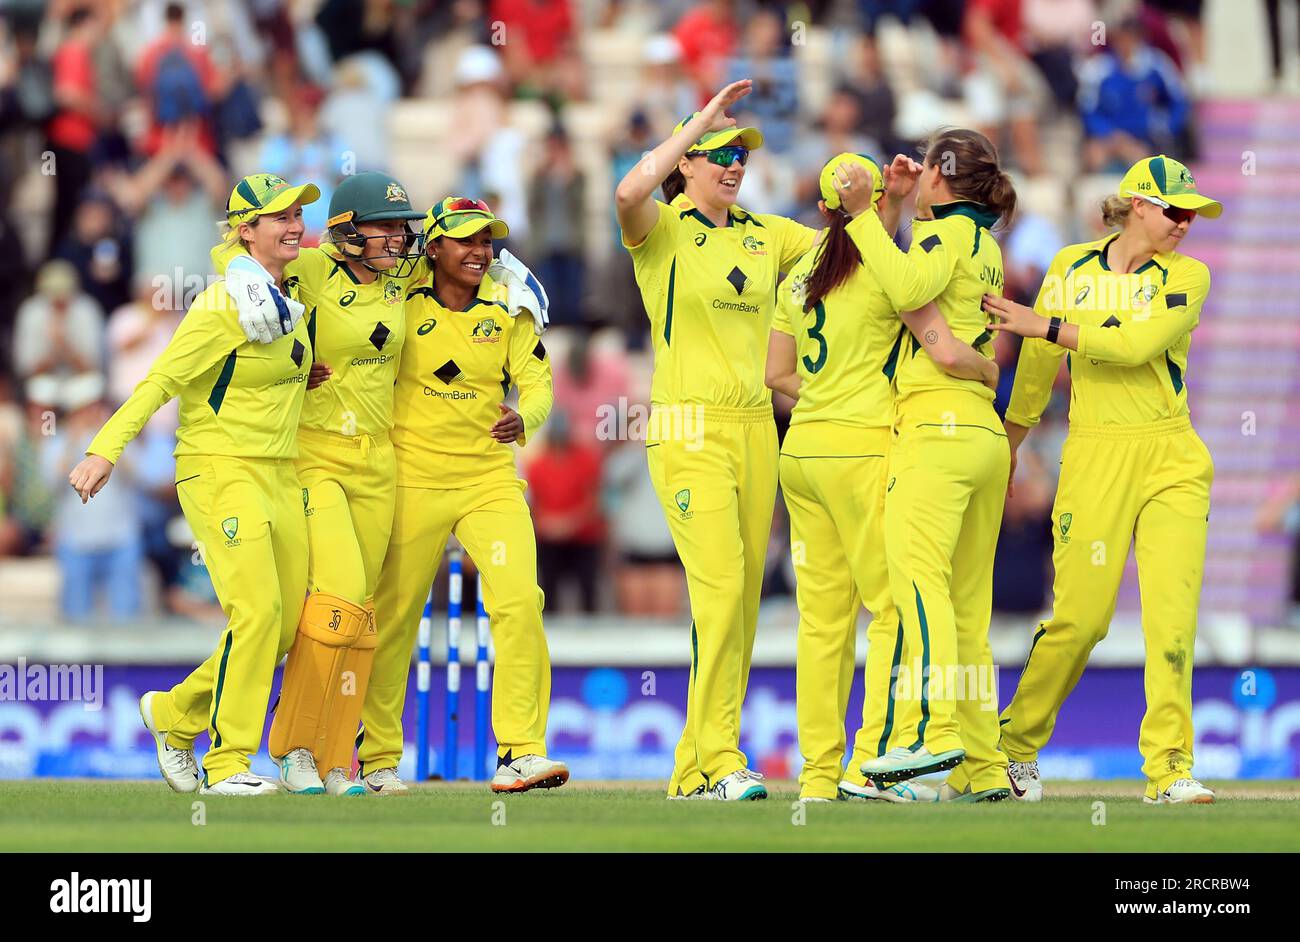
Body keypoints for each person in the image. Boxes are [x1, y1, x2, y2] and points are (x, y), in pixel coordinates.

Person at [68, 174, 320, 796]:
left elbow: (267, 372)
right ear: (245, 231)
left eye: (297, 215)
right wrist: (104, 449)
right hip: (219, 470)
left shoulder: (287, 299)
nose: (294, 225)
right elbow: (159, 382)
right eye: (279, 217)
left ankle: (175, 716)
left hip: (281, 471)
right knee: (257, 613)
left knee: (283, 628)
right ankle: (228, 763)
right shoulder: (219, 306)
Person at [983, 155, 1221, 805]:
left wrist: (1046, 324)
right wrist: (1010, 442)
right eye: (1175, 210)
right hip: (1093, 455)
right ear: (1139, 205)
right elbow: (1035, 363)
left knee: (1171, 621)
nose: (1185, 224)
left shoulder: (1189, 275)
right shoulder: (1070, 267)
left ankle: (1169, 768)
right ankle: (1015, 746)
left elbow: (1137, 346)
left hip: (1171, 456)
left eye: (1192, 214)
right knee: (1082, 621)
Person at [765, 153, 998, 803]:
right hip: (866, 447)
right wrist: (983, 369)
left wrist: (828, 393)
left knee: (820, 624)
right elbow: (937, 339)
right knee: (895, 608)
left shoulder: (798, 275)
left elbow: (776, 374)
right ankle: (872, 762)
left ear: (820, 210)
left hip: (803, 449)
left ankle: (815, 777)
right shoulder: (884, 271)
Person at [615, 81, 816, 800]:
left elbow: (846, 257)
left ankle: (692, 769)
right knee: (722, 588)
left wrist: (880, 199)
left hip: (757, 425)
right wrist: (696, 120)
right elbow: (624, 193)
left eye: (740, 154)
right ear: (687, 165)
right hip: (686, 423)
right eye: (718, 154)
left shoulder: (768, 233)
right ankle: (720, 757)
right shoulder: (661, 228)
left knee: (740, 599)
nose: (734, 164)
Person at [218, 171, 425, 797]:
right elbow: (239, 245)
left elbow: (453, 250)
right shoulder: (309, 270)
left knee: (362, 617)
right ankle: (293, 749)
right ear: (346, 231)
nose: (398, 238)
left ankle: (339, 759)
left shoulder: (403, 276)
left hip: (379, 461)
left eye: (401, 226)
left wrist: (506, 271)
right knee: (337, 598)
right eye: (384, 226)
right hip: (316, 454)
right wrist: (243, 277)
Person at [356, 196, 566, 794]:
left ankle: (521, 751)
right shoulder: (402, 293)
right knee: (394, 619)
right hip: (409, 477)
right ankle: (376, 760)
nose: (481, 252)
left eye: (489, 242)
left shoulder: (507, 305)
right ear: (436, 246)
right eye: (467, 241)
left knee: (521, 602)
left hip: (488, 479)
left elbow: (538, 380)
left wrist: (527, 418)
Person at [848, 128, 1017, 801]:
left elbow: (909, 289)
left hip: (936, 431)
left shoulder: (943, 236)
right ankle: (982, 766)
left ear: (942, 178)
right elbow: (946, 330)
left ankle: (931, 730)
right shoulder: (987, 243)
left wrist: (864, 215)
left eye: (926, 164)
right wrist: (901, 202)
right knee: (969, 609)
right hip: (982, 436)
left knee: (919, 584)